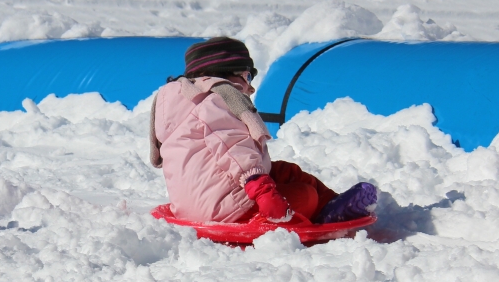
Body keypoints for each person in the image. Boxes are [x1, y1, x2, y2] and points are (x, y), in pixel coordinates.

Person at [149, 37, 376, 224]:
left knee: (285, 171)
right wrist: (263, 192)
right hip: (229, 212)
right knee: (306, 197)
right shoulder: (218, 99)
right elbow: (233, 147)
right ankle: (289, 215)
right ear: (226, 72)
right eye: (248, 76)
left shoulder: (181, 102)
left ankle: (333, 203)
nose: (251, 86)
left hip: (191, 208)